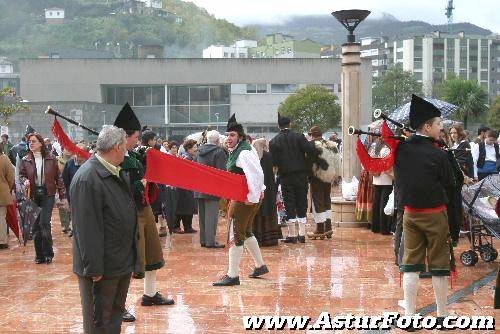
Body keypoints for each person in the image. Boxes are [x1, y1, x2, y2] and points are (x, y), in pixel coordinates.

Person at [395, 94, 455, 327]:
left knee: (411, 264)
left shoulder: (401, 150)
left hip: (410, 214)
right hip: (435, 214)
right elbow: (449, 184)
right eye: (439, 124)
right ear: (427, 126)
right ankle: (442, 315)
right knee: (439, 264)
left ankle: (410, 315)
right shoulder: (439, 154)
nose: (442, 129)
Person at [71, 125, 139, 334]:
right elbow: (86, 228)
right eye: (125, 148)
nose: (126, 153)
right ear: (118, 147)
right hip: (101, 269)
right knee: (98, 323)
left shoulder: (112, 171)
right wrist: (94, 268)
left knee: (113, 318)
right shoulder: (88, 178)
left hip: (119, 261)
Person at [114, 103, 173, 322]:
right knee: (129, 257)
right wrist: (140, 182)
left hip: (144, 207)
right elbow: (121, 185)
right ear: (124, 136)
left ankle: (150, 294)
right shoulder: (115, 157)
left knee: (151, 250)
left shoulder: (130, 154)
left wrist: (143, 156)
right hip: (127, 211)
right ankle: (118, 305)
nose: (138, 141)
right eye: (136, 137)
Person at [213, 114, 268, 286]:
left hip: (245, 198)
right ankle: (260, 266)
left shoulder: (243, 152)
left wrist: (253, 195)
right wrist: (259, 191)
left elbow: (256, 174)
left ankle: (233, 275)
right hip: (248, 196)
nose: (228, 138)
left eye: (232, 135)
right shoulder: (244, 149)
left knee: (235, 234)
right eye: (227, 134)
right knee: (246, 231)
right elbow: (257, 171)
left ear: (240, 137)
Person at [269, 113, 318, 244]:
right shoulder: (299, 137)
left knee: (289, 203)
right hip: (301, 175)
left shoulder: (273, 141)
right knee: (302, 202)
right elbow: (311, 150)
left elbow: (273, 164)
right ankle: (302, 234)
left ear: (278, 126)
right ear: (290, 125)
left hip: (285, 176)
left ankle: (292, 235)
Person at [19, 132, 66, 264]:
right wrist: (25, 181)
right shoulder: (25, 160)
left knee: (44, 223)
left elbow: (59, 178)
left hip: (48, 195)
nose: (31, 143)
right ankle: (39, 255)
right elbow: (21, 176)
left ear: (40, 143)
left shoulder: (51, 158)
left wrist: (62, 195)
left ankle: (48, 253)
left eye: (33, 141)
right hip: (33, 195)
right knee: (35, 227)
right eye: (29, 141)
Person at [307, 126, 341, 240]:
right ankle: (328, 227)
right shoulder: (331, 144)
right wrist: (336, 176)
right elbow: (337, 161)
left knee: (318, 201)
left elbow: (309, 162)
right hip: (329, 176)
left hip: (316, 177)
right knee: (327, 199)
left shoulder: (312, 145)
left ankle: (320, 229)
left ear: (312, 135)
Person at [195, 130, 227, 248]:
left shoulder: (199, 151)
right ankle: (210, 242)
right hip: (212, 189)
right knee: (211, 217)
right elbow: (222, 172)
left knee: (202, 217)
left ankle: (204, 240)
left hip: (199, 188)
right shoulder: (219, 152)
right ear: (218, 140)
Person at [251, 138, 282, 246]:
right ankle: (270, 238)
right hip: (269, 188)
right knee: (268, 209)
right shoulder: (268, 156)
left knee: (256, 211)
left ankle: (256, 238)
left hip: (256, 188)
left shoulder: (252, 156)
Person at [62, 144, 89, 237]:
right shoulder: (69, 163)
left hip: (86, 194)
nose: (78, 155)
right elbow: (65, 179)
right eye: (77, 151)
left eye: (81, 152)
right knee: (74, 212)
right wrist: (65, 195)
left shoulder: (89, 163)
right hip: (73, 193)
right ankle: (74, 229)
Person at [370, 138, 394, 235]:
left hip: (376, 178)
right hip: (386, 178)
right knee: (384, 203)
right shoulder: (386, 150)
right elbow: (389, 165)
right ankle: (384, 229)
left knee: (376, 203)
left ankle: (375, 227)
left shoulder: (374, 148)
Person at [174, 139, 198, 234]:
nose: (196, 149)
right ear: (188, 149)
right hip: (184, 188)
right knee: (182, 208)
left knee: (188, 208)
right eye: (195, 147)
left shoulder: (190, 158)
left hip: (188, 187)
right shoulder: (187, 159)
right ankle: (176, 226)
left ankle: (188, 227)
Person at [0, 144, 14, 249]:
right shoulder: (4, 159)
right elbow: (10, 176)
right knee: (1, 216)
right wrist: (7, 188)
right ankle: (2, 240)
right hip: (2, 191)